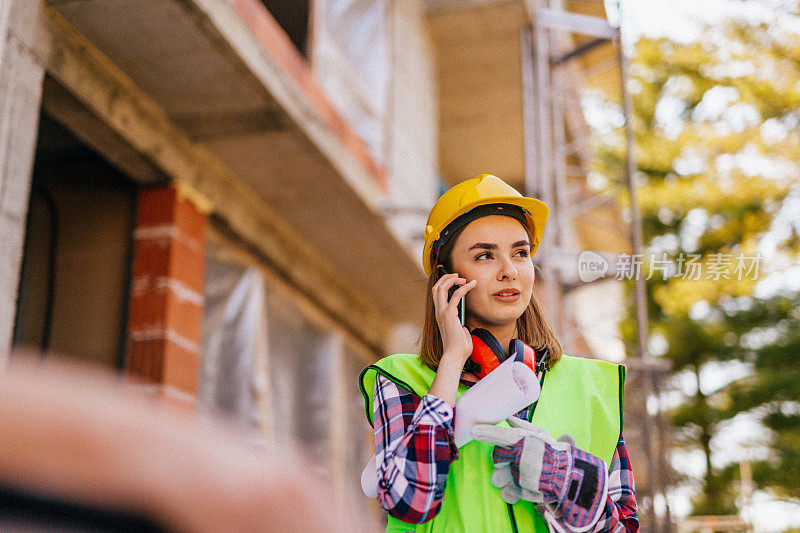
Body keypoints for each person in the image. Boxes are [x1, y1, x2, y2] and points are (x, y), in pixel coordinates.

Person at [359, 175, 638, 532]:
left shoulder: (593, 386)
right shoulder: (401, 379)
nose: (509, 271)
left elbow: (626, 528)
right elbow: (409, 499)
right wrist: (451, 364)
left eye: (521, 253)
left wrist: (569, 481)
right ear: (448, 280)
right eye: (485, 255)